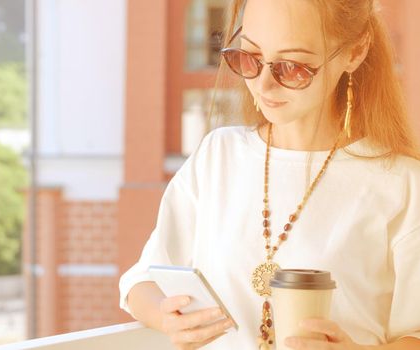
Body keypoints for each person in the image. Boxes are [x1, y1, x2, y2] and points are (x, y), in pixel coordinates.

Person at [118, 0, 420, 349]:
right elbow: (142, 279)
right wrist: (166, 316)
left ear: (355, 51)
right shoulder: (218, 155)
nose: (263, 84)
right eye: (248, 57)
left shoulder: (401, 184)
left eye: (292, 67)